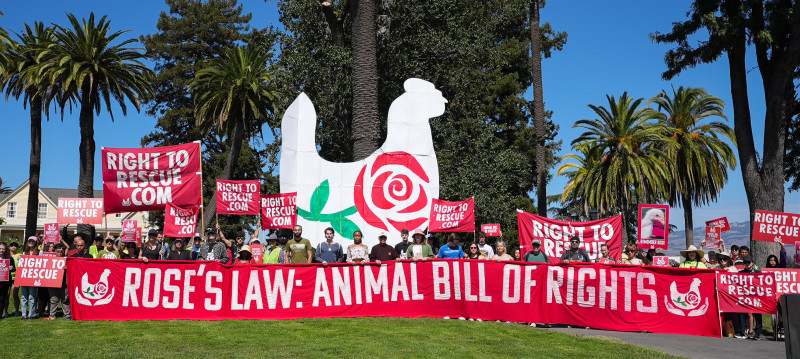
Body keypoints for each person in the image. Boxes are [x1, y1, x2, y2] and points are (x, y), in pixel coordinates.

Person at [739, 255, 764, 340]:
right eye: (745, 262)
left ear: (752, 263)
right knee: (745, 314)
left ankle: (758, 332)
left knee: (757, 314)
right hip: (745, 296)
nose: (747, 264)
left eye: (748, 262)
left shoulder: (758, 273)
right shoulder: (740, 273)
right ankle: (745, 331)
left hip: (756, 296)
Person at [19, 238, 38, 319]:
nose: (31, 242)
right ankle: (24, 314)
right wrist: (20, 259)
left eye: (33, 241)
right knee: (24, 297)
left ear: (35, 243)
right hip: (25, 277)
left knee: (32, 297)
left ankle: (31, 314)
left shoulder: (39, 253)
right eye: (29, 241)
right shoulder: (24, 253)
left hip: (34, 277)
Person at [0, 242, 17, 320]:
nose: (1, 250)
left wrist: (11, 268)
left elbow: (14, 269)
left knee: (2, 298)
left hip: (5, 282)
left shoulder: (9, 258)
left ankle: (0, 314)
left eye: (3, 249)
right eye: (0, 249)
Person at [7, 241, 21, 318]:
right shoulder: (6, 255)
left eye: (15, 245)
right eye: (11, 245)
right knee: (7, 295)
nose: (13, 246)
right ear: (9, 247)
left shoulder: (19, 255)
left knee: (15, 295)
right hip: (7, 277)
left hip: (16, 277)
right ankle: (5, 311)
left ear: (17, 248)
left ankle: (16, 310)